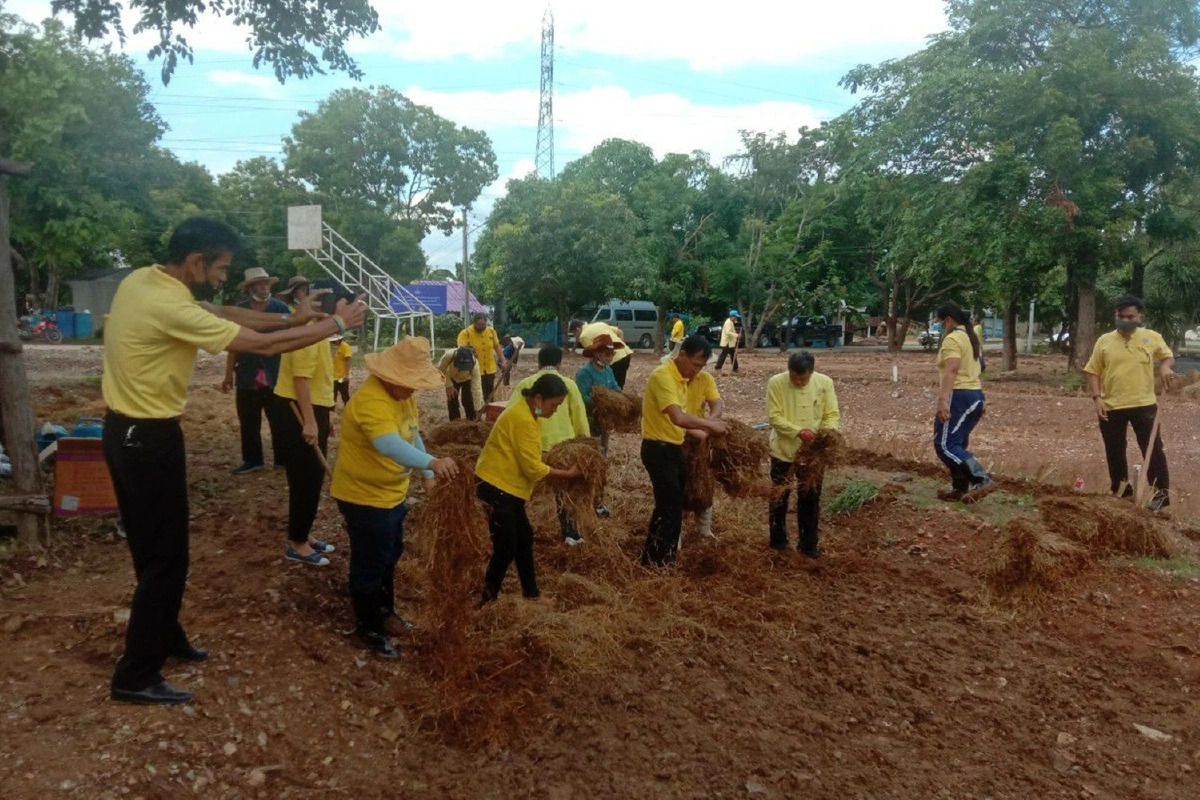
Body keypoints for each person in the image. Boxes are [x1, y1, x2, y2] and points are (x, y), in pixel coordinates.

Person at [101, 216, 367, 705]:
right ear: (196, 260)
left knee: (153, 549)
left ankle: (160, 634)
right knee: (166, 558)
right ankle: (136, 674)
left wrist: (291, 318)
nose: (226, 276)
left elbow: (224, 312)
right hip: (147, 440)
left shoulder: (146, 280)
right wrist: (334, 324)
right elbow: (262, 346)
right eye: (221, 266)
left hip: (129, 432)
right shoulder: (166, 303)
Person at [331, 337, 459, 658]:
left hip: (391, 494)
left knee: (390, 552)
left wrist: (427, 475)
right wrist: (431, 464)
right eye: (409, 383)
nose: (413, 391)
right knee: (371, 560)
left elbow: (412, 434)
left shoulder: (402, 396)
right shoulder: (371, 401)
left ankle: (385, 611)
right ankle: (369, 628)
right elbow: (389, 445)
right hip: (363, 496)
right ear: (390, 376)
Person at [476, 373, 582, 602]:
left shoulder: (529, 415)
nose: (555, 410)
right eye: (554, 405)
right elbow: (532, 468)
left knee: (524, 537)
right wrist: (568, 474)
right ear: (538, 398)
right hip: (495, 486)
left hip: (508, 486)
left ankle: (531, 593)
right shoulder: (523, 420)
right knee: (506, 545)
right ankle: (487, 598)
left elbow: (530, 456)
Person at [640, 336, 729, 567]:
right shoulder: (663, 376)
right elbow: (678, 416)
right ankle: (661, 561)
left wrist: (704, 425)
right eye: (695, 364)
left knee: (670, 505)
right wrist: (710, 425)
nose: (696, 371)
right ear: (682, 355)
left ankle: (655, 558)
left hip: (673, 447)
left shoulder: (680, 378)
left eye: (701, 367)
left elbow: (686, 416)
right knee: (669, 507)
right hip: (658, 449)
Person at [1084, 294, 1174, 510]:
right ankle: (1122, 491)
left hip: (1144, 405)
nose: (1125, 320)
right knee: (1114, 451)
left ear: (1139, 317)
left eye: (1130, 316)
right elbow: (1092, 371)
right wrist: (1097, 398)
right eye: (1121, 316)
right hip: (1112, 406)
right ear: (1116, 315)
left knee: (1152, 449)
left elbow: (1167, 357)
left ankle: (1161, 495)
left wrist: (1165, 366)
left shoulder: (1151, 337)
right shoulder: (1104, 341)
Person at [507, 346, 591, 544]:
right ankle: (571, 533)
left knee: (524, 488)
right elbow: (579, 416)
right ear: (560, 364)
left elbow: (511, 413)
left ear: (538, 363)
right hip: (564, 448)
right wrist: (585, 444)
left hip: (536, 445)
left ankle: (518, 526)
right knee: (565, 493)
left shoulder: (526, 383)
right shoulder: (569, 384)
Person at [273, 314, 338, 566]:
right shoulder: (307, 331)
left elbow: (319, 377)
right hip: (298, 410)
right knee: (306, 477)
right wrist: (311, 421)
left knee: (312, 478)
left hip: (313, 407)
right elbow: (301, 379)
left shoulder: (319, 330)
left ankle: (303, 533)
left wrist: (325, 417)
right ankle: (297, 544)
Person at [767, 351, 840, 557]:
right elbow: (774, 417)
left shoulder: (824, 383)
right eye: (794, 377)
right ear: (788, 370)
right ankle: (777, 541)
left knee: (810, 498)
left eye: (803, 378)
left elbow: (831, 414)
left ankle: (808, 545)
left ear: (811, 372)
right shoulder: (776, 383)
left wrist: (826, 434)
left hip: (813, 454)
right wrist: (798, 432)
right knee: (778, 497)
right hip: (783, 449)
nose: (798, 381)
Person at [221, 267, 290, 474]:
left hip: (275, 373)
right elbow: (233, 343)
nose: (264, 287)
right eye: (260, 284)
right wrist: (228, 374)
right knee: (248, 420)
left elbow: (292, 339)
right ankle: (253, 460)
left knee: (279, 419)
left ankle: (283, 459)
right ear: (250, 287)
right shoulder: (240, 311)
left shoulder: (281, 309)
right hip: (247, 374)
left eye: (266, 283)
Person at [932, 302, 994, 503]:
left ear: (949, 320)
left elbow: (952, 371)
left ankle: (981, 479)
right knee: (957, 442)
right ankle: (959, 488)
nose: (940, 327)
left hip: (959, 395)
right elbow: (978, 369)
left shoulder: (953, 339)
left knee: (945, 445)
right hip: (974, 395)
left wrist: (943, 401)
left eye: (940, 323)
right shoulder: (970, 338)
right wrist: (981, 398)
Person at [682, 364, 722, 543]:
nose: (695, 368)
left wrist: (709, 423)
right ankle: (675, 532)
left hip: (700, 439)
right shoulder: (670, 380)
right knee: (679, 486)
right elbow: (673, 417)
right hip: (676, 437)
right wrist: (701, 429)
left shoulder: (705, 378)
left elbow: (716, 404)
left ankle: (704, 529)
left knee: (704, 484)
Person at [570, 319, 633, 389]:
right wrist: (620, 349)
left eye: (574, 334)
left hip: (613, 360)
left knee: (610, 390)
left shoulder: (583, 336)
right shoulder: (599, 324)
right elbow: (620, 332)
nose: (576, 337)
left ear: (577, 329)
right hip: (626, 355)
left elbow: (593, 354)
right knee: (618, 386)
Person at [458, 312, 506, 403]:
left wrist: (503, 360)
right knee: (476, 394)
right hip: (474, 370)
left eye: (483, 325)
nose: (481, 327)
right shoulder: (465, 333)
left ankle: (489, 412)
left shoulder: (491, 331)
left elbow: (496, 346)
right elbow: (461, 349)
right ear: (474, 323)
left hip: (489, 369)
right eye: (478, 325)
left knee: (489, 394)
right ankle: (477, 413)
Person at [438, 346, 484, 420]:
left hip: (467, 379)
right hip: (452, 377)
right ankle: (455, 422)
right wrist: (449, 385)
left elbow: (477, 388)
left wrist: (477, 409)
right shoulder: (449, 355)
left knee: (468, 400)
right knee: (452, 400)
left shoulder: (475, 365)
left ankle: (472, 419)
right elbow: (441, 369)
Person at [331, 333, 353, 407]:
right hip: (332, 376)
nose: (333, 342)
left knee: (345, 394)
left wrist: (346, 374)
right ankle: (332, 411)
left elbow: (348, 360)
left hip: (342, 376)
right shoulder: (331, 347)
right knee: (332, 395)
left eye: (334, 341)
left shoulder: (345, 347)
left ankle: (347, 408)